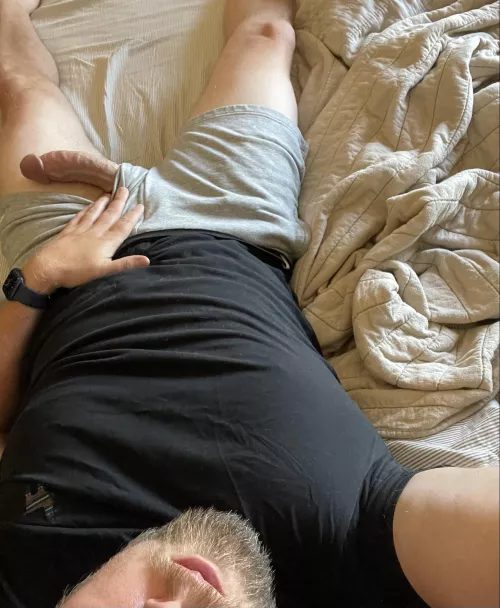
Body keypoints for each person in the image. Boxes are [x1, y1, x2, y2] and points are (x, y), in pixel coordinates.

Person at [0, 0, 498, 607]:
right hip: (230, 217)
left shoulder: (19, 572)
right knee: (265, 35)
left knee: (21, 90)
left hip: (67, 251)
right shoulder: (342, 544)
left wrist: (36, 279)